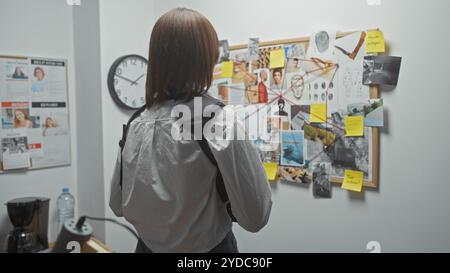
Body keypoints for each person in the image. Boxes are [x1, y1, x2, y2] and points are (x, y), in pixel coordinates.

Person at [109, 8, 272, 253]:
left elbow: (117, 204)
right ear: (204, 60)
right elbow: (255, 216)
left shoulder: (137, 122)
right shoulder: (218, 121)